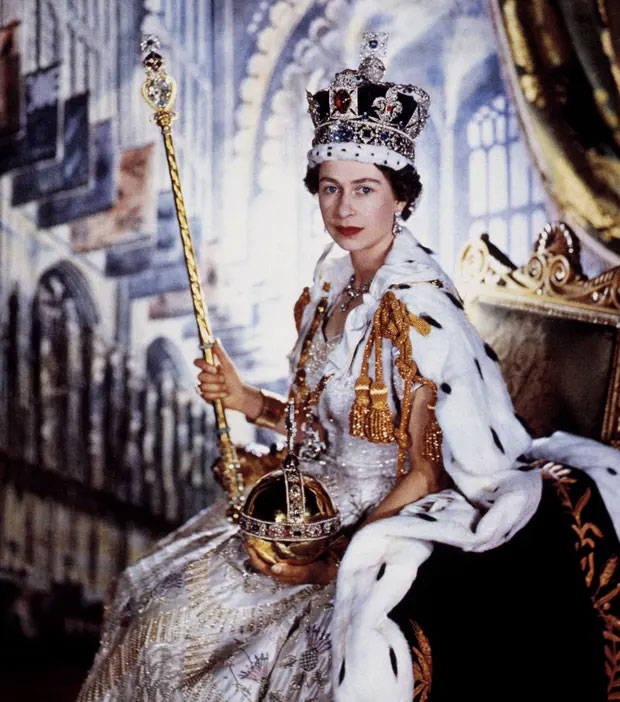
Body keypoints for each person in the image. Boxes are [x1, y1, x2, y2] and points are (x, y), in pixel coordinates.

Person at [78, 33, 619, 702]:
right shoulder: (330, 290)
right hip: (305, 504)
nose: (344, 208)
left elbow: (423, 470)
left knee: (223, 655)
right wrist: (250, 402)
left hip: (378, 514)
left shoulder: (418, 314)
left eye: (365, 189)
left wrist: (332, 557)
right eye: (330, 188)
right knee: (150, 599)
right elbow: (317, 422)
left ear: (401, 197)